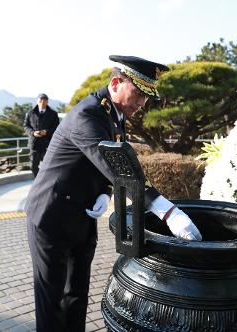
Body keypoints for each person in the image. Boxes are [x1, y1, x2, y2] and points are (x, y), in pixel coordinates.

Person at [25, 55, 202, 331]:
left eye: (147, 96)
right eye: (139, 93)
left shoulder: (115, 114)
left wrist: (106, 192)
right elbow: (120, 170)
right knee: (52, 300)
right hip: (52, 216)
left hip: (82, 216)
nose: (143, 103)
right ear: (116, 82)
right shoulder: (87, 114)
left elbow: (110, 162)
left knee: (77, 295)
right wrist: (167, 212)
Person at [23, 93, 60, 177]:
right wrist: (33, 133)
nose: (42, 102)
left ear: (47, 102)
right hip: (34, 144)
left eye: (45, 101)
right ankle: (37, 181)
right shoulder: (30, 113)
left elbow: (57, 127)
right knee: (33, 166)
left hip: (47, 144)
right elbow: (26, 126)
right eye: (40, 100)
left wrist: (46, 132)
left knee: (48, 166)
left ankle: (46, 182)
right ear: (37, 101)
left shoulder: (53, 114)